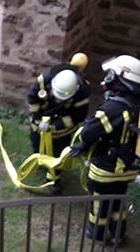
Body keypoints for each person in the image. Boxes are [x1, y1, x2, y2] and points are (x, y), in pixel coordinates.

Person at [69, 55, 140, 245]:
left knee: (99, 202)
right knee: (118, 201)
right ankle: (118, 234)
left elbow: (91, 131)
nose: (108, 77)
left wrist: (81, 144)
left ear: (121, 76)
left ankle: (96, 232)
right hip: (127, 168)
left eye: (112, 73)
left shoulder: (114, 107)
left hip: (106, 168)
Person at [27, 53, 92, 194]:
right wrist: (37, 118)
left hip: (62, 130)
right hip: (39, 123)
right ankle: (38, 159)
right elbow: (32, 97)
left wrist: (54, 126)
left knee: (58, 155)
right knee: (35, 142)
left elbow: (77, 116)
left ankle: (53, 180)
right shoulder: (45, 79)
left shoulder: (83, 90)